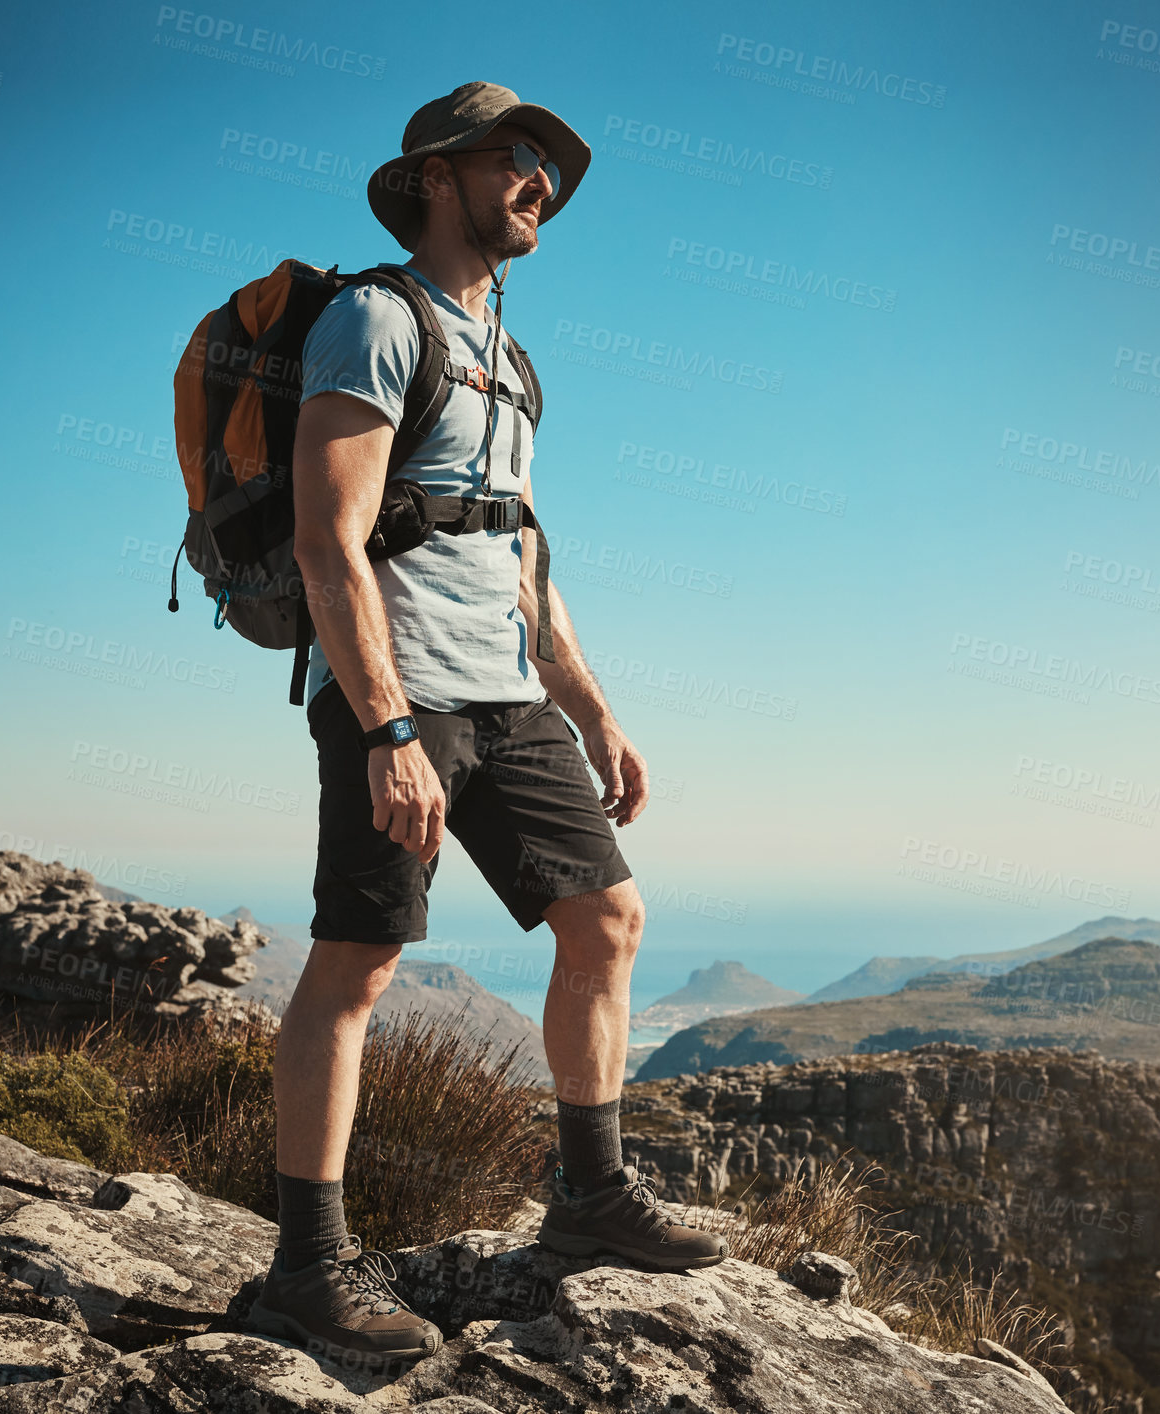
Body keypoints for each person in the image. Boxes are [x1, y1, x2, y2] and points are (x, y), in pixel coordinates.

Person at [246, 80, 728, 1371]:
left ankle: (587, 1200)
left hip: (508, 703)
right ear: (440, 176)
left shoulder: (511, 366)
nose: (541, 186)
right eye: (518, 160)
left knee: (607, 918)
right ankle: (304, 1266)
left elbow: (522, 566)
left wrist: (598, 714)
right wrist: (387, 726)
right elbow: (327, 536)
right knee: (356, 963)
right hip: (396, 700)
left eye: (549, 170)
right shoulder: (374, 320)